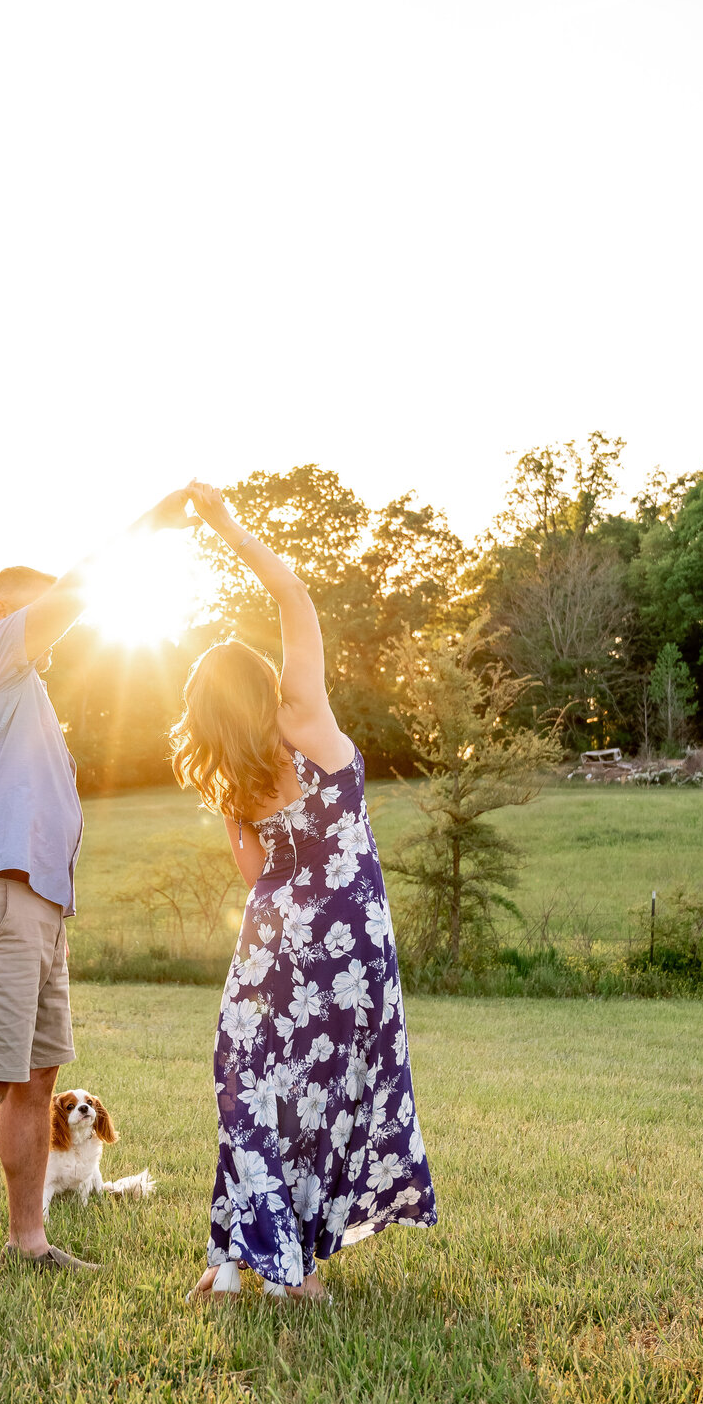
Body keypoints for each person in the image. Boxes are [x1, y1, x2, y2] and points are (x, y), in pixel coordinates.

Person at [0, 486, 196, 1288]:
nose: (59, 630)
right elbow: (73, 597)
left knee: (37, 1080)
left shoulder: (28, 694)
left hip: (38, 906)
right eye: (40, 613)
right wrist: (148, 529)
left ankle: (28, 1240)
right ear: (2, 611)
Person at [172, 481, 437, 1301]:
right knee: (325, 1094)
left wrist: (229, 805)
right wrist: (229, 528)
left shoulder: (238, 774)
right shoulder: (308, 719)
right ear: (263, 679)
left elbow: (254, 877)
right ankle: (289, 1267)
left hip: (271, 946)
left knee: (253, 1085)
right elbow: (293, 593)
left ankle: (241, 1258)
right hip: (351, 941)